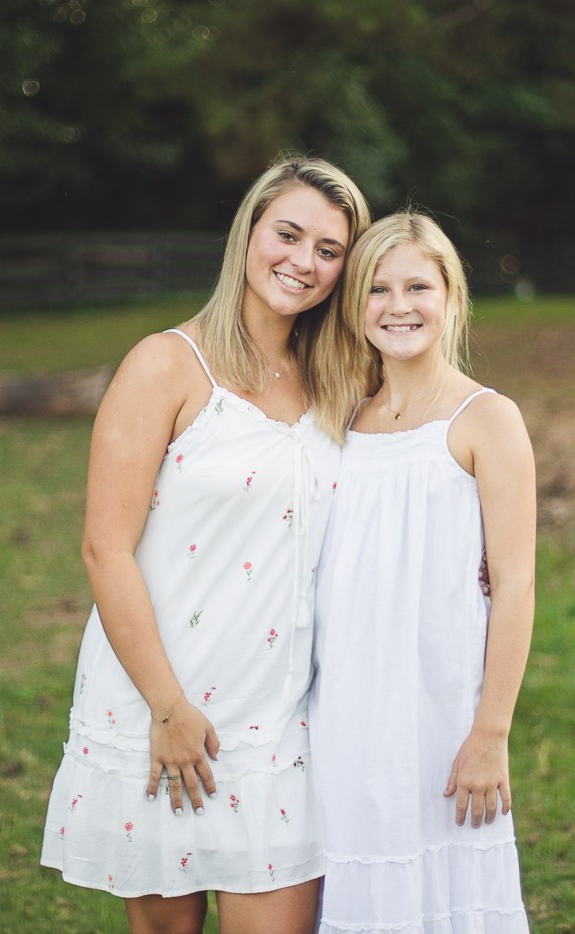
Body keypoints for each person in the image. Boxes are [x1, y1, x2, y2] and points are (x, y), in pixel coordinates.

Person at [40, 155, 372, 934]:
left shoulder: (339, 377)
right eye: (288, 235)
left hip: (282, 716)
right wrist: (167, 708)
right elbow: (104, 550)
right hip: (164, 706)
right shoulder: (165, 366)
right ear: (248, 233)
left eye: (329, 251)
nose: (303, 262)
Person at [309, 210, 536, 932]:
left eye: (417, 286)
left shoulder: (484, 418)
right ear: (354, 306)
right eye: (377, 289)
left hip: (439, 712)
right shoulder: (340, 419)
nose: (398, 305)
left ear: (452, 298)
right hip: (342, 710)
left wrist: (490, 731)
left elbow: (517, 585)